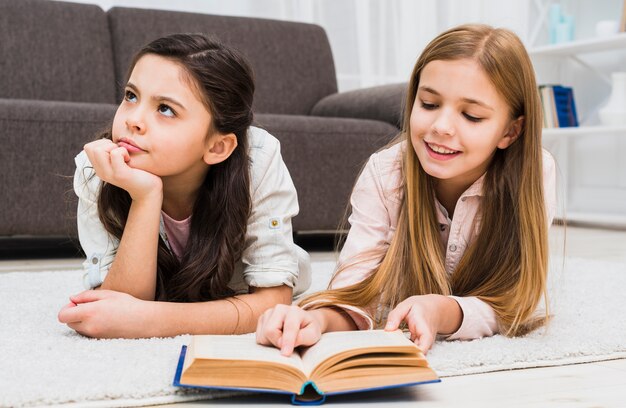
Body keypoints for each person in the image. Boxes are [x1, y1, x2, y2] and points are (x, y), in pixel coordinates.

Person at [256, 24, 556, 355]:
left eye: (471, 116)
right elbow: (356, 286)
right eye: (428, 104)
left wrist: (442, 311)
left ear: (511, 132)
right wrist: (317, 319)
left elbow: (515, 302)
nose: (441, 127)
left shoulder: (535, 172)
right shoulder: (385, 172)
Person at [58, 33, 311, 338]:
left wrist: (152, 320)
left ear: (218, 147)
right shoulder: (97, 167)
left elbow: (271, 302)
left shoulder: (258, 158)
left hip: (237, 282)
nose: (133, 120)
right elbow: (117, 307)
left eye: (165, 109)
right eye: (130, 96)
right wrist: (145, 197)